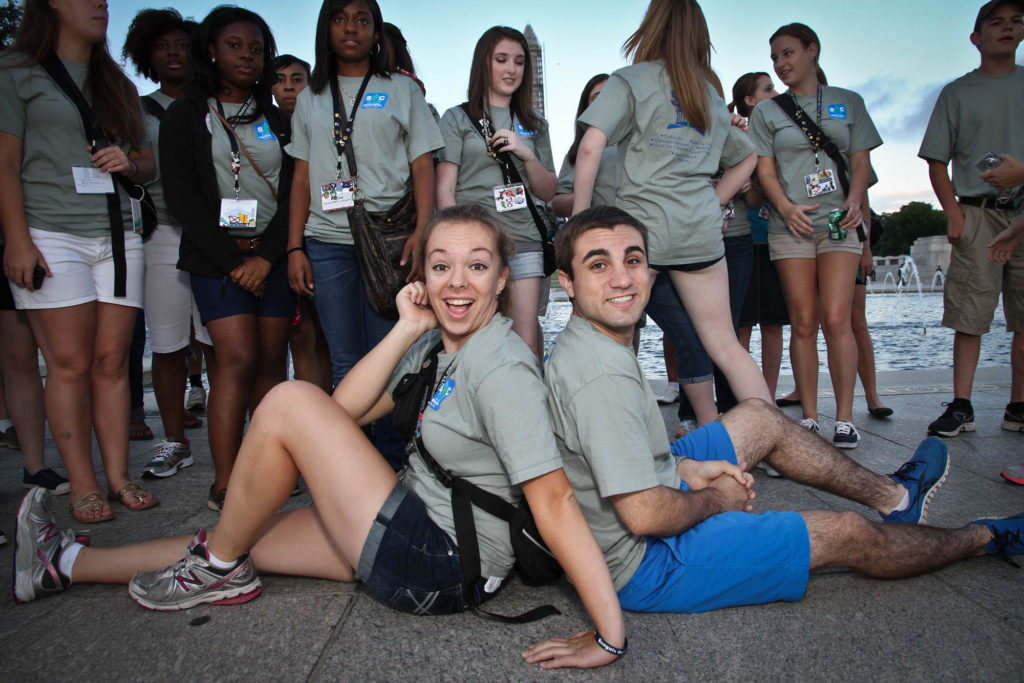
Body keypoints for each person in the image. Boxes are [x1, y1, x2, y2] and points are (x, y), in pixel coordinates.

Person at [16, 206, 627, 671]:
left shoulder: (503, 367)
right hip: (411, 520)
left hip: (440, 561)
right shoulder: (440, 346)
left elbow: (554, 500)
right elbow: (343, 413)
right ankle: (67, 564)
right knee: (237, 535)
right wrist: (408, 326)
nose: (457, 283)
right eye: (441, 266)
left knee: (284, 399)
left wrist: (608, 634)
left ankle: (217, 567)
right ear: (423, 276)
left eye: (476, 266)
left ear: (502, 280)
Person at [535, 205, 1024, 622]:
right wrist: (717, 497)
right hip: (644, 564)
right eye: (599, 266)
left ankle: (897, 499)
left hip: (646, 487)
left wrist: (686, 468)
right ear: (569, 283)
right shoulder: (599, 374)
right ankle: (986, 537)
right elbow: (644, 516)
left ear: (650, 270)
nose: (623, 278)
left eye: (633, 260)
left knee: (759, 416)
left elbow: (613, 454)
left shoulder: (593, 340)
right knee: (847, 534)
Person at [1, 0, 158, 523]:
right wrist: (16, 239)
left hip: (118, 233)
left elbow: (146, 160)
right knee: (67, 364)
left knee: (114, 362)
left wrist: (129, 162)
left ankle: (117, 475)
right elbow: (4, 162)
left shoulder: (115, 82)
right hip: (49, 231)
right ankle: (82, 483)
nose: (100, 4)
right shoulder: (14, 70)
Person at [572, 0, 770, 412]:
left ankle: (608, 427)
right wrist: (713, 203)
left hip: (643, 235)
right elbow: (747, 156)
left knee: (605, 334)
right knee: (727, 346)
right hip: (699, 233)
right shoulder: (710, 94)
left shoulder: (631, 80)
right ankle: (768, 438)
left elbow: (590, 146)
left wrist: (580, 221)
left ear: (651, 26)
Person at [286, 0, 441, 471]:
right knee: (344, 360)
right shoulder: (311, 97)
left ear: (376, 31)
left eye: (362, 19)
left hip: (391, 240)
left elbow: (423, 166)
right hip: (327, 242)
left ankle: (395, 464)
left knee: (391, 357)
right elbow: (300, 177)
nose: (350, 28)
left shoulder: (400, 90)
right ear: (324, 29)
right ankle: (352, 466)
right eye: (339, 18)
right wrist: (294, 246)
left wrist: (423, 231)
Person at [160, 6, 295, 510]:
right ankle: (228, 479)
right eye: (235, 46)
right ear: (212, 51)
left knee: (269, 366)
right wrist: (237, 262)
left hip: (273, 258)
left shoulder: (279, 119)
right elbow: (182, 198)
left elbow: (292, 194)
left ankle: (271, 467)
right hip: (216, 261)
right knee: (235, 362)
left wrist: (266, 257)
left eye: (256, 49)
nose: (247, 56)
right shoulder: (185, 115)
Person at [749, 22, 882, 448]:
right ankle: (809, 417)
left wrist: (857, 199)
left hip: (839, 222)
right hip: (791, 224)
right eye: (774, 58)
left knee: (838, 320)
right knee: (803, 322)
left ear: (812, 51)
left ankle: (845, 418)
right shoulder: (767, 112)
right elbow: (764, 170)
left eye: (788, 53)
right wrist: (785, 207)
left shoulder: (849, 102)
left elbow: (859, 162)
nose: (781, 64)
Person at [918, 0, 1024, 438]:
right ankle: (962, 403)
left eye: (1016, 21)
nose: (1008, 27)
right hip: (978, 212)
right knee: (969, 312)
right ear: (976, 38)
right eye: (996, 22)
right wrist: (954, 214)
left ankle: (1018, 404)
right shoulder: (957, 92)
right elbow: (936, 159)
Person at [121, 7, 209, 478]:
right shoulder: (137, 110)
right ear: (147, 56)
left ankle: (239, 433)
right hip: (164, 238)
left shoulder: (215, 103)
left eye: (182, 44)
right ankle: (174, 441)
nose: (174, 53)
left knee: (221, 340)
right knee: (170, 345)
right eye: (162, 46)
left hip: (217, 236)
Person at [437, 26, 557, 362]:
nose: (511, 69)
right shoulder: (456, 118)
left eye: (519, 62)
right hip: (475, 243)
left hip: (524, 238)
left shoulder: (535, 124)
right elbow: (445, 189)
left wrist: (527, 153)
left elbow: (548, 189)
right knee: (475, 335)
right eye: (501, 59)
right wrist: (453, 244)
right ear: (483, 64)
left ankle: (530, 410)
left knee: (525, 338)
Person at [731, 72, 788, 402]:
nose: (776, 93)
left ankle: (767, 397)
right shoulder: (736, 133)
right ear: (749, 100)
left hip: (774, 236)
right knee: (741, 324)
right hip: (741, 236)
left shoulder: (780, 133)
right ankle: (744, 396)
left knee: (773, 322)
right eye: (768, 89)